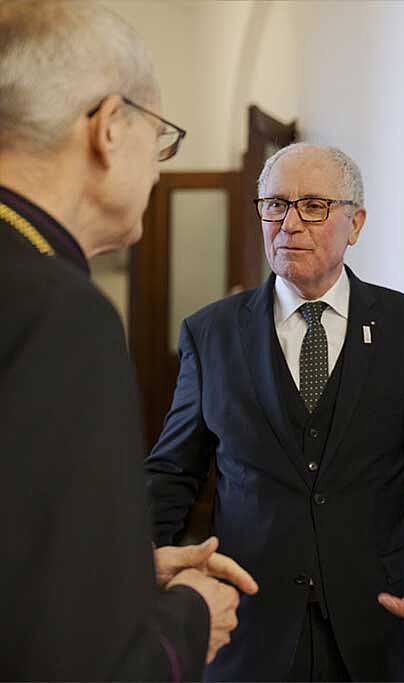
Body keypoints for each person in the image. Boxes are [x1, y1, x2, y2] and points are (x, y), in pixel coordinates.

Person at [145, 142, 404, 681]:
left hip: (377, 619)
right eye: (275, 205)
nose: (288, 223)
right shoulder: (210, 334)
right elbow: (172, 470)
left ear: (355, 222)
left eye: (313, 206)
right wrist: (142, 564)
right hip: (248, 623)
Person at [0, 2, 255, 680]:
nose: (161, 169)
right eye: (162, 138)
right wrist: (191, 614)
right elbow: (79, 663)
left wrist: (121, 573)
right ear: (110, 128)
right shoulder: (60, 311)